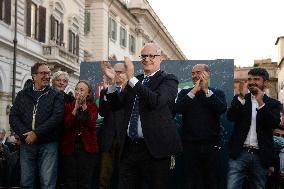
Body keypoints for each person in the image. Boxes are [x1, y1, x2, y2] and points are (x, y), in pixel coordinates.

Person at [102, 43, 182, 189]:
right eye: (144, 56)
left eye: (152, 56)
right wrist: (112, 83)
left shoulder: (169, 79)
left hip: (155, 149)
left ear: (161, 58)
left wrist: (131, 79)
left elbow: (156, 101)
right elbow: (116, 105)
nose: (147, 59)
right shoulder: (135, 80)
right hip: (130, 148)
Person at [9, 62, 64, 189]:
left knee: (47, 183)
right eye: (43, 73)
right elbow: (13, 117)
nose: (47, 76)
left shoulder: (56, 95)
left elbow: (56, 118)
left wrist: (36, 133)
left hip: (48, 145)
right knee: (26, 182)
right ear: (34, 76)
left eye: (48, 73)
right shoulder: (22, 94)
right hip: (27, 144)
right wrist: (26, 135)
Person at [227, 67, 281, 189]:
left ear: (265, 83)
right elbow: (231, 117)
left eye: (256, 79)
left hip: (261, 157)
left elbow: (273, 123)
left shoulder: (273, 103)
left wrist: (261, 103)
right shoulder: (241, 99)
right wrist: (240, 97)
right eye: (250, 79)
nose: (252, 82)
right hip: (239, 155)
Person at [174, 64, 227, 189]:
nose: (195, 76)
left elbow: (221, 108)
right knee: (191, 182)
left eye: (198, 72)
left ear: (207, 74)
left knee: (212, 181)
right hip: (190, 146)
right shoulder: (185, 92)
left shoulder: (217, 93)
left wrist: (206, 91)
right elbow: (178, 108)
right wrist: (193, 91)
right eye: (193, 73)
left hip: (211, 146)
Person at [60, 80, 99, 189]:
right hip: (70, 148)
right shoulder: (68, 106)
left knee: (85, 180)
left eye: (82, 90)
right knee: (70, 180)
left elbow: (90, 123)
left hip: (87, 148)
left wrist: (84, 106)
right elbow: (67, 124)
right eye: (77, 89)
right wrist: (75, 108)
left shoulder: (92, 106)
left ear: (88, 93)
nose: (78, 92)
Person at [98, 63, 127, 189]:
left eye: (120, 71)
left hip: (125, 139)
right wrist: (109, 90)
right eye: (116, 71)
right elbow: (102, 112)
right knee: (104, 175)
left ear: (126, 73)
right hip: (108, 138)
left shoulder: (131, 91)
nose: (117, 74)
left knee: (124, 175)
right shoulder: (105, 91)